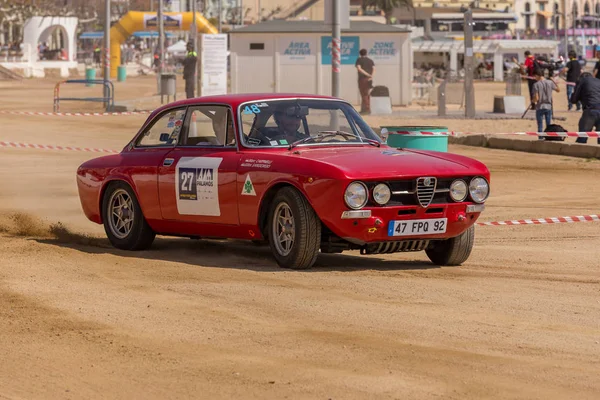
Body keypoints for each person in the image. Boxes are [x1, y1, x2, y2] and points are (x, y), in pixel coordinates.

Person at [569, 72, 600, 144]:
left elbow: (574, 99)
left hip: (590, 110)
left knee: (582, 136)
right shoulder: (598, 81)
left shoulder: (582, 81)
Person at [532, 68, 559, 136]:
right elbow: (558, 90)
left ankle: (540, 138)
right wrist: (553, 80)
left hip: (540, 106)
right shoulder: (550, 82)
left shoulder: (536, 84)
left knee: (540, 125)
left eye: (535, 76)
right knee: (548, 125)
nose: (534, 78)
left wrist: (533, 100)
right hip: (548, 106)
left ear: (538, 75)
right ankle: (548, 137)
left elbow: (537, 98)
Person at [355, 49, 375, 114]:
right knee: (367, 94)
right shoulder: (370, 60)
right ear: (366, 53)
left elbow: (359, 68)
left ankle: (367, 109)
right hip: (369, 79)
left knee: (364, 94)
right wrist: (371, 76)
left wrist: (367, 74)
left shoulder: (359, 60)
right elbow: (374, 69)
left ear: (360, 54)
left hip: (362, 79)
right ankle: (364, 109)